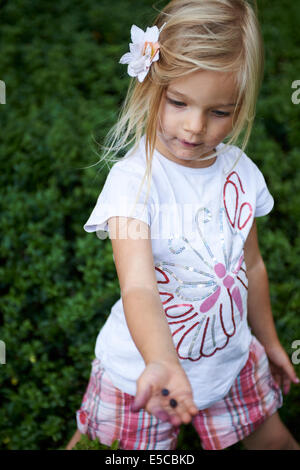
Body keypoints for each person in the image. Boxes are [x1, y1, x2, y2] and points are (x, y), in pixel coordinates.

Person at [66, 0, 300, 451]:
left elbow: (250, 267)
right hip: (142, 374)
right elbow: (139, 287)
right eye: (178, 102)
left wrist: (268, 341)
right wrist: (161, 363)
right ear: (148, 88)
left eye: (219, 112)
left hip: (229, 362)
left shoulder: (240, 172)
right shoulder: (135, 182)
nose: (194, 127)